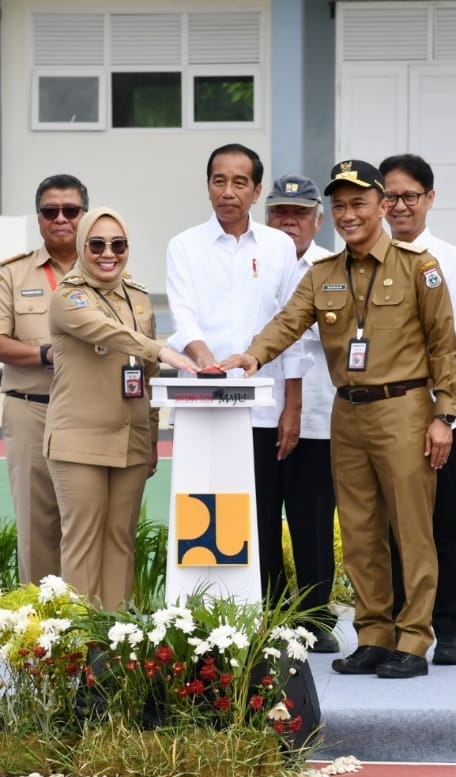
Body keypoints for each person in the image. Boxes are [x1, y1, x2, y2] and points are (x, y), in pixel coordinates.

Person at [222, 160, 456, 680]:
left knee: (412, 529)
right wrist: (252, 357)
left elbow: (445, 349)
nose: (347, 214)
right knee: (358, 530)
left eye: (358, 203)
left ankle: (414, 640)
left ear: (380, 205)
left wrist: (444, 415)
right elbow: (286, 323)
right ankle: (373, 635)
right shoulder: (323, 275)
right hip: (346, 414)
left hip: (404, 410)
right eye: (339, 206)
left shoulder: (419, 268)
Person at [165, 143, 307, 607]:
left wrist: (294, 407)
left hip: (262, 408)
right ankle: (201, 609)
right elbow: (184, 319)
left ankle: (262, 615)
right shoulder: (184, 245)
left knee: (259, 516)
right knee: (204, 506)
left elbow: (292, 328)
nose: (228, 191)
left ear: (256, 190)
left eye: (239, 182)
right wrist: (209, 365)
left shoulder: (279, 246)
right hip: (201, 404)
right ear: (207, 186)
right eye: (219, 180)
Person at [45, 208, 200, 610]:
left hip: (129, 438)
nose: (108, 253)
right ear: (82, 247)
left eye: (119, 244)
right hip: (80, 440)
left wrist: (150, 436)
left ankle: (114, 642)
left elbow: (146, 378)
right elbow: (108, 332)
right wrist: (162, 349)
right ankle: (79, 650)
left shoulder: (138, 296)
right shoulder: (68, 296)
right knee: (82, 543)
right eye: (97, 244)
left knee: (120, 541)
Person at [380, 154, 456, 667]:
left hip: (440, 414)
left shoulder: (450, 260)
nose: (399, 206)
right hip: (385, 417)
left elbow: (454, 340)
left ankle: (451, 628)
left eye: (409, 197)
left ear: (430, 199)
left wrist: (440, 415)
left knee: (443, 523)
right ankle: (401, 627)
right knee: (394, 526)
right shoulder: (365, 257)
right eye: (390, 196)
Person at [0, 174, 86, 584]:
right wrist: (44, 355)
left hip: (90, 414)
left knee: (89, 523)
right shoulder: (13, 275)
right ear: (39, 219)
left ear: (85, 216)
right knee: (36, 526)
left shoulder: (105, 270)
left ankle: (89, 625)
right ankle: (39, 635)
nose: (61, 219)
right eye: (50, 211)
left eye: (71, 211)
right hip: (31, 410)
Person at [264, 174, 339, 654]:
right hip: (256, 412)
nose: (289, 221)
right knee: (263, 519)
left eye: (299, 213)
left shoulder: (334, 266)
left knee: (313, 522)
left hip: (316, 415)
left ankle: (315, 618)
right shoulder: (251, 264)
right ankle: (270, 616)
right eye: (279, 213)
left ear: (318, 218)